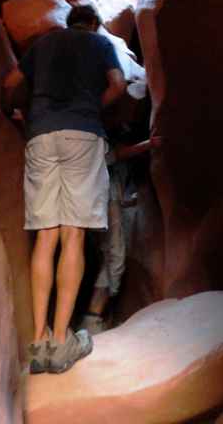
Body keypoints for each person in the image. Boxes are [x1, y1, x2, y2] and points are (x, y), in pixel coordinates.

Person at [3, 3, 126, 374]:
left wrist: (20, 112)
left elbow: (10, 84)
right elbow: (118, 85)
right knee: (73, 236)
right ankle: (61, 341)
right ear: (93, 24)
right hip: (82, 135)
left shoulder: (43, 43)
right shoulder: (99, 44)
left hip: (41, 135)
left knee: (45, 236)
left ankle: (38, 340)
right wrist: (91, 107)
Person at [80, 134, 163, 334]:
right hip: (101, 194)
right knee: (114, 256)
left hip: (102, 192)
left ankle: (93, 317)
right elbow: (113, 155)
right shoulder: (91, 125)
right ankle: (92, 319)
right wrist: (148, 144)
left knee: (110, 257)